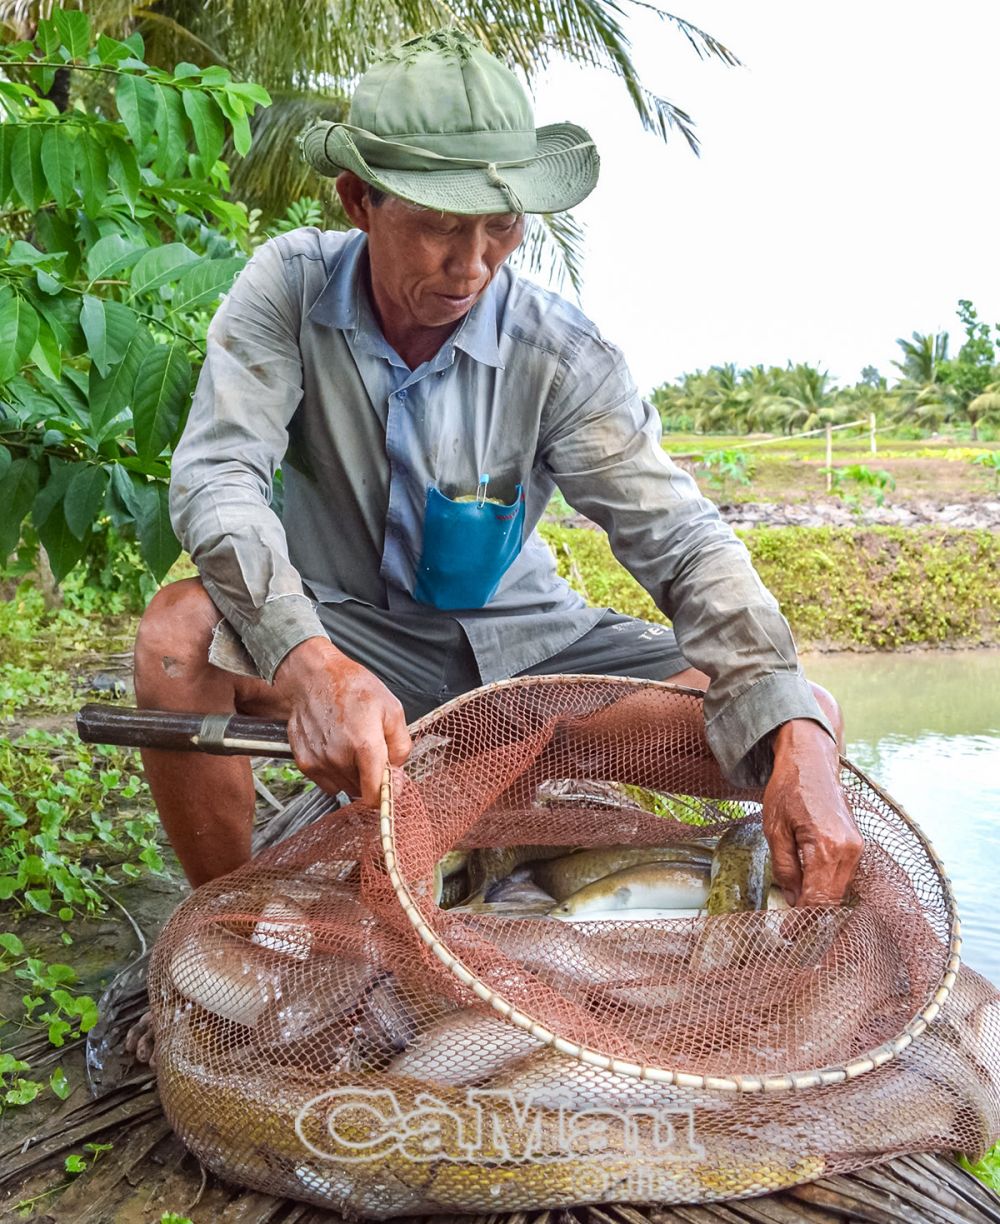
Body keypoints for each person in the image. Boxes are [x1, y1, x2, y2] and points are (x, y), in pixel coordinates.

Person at [129, 31, 861, 1063]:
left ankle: (522, 803)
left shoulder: (560, 354)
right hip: (346, 641)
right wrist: (309, 663)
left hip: (531, 658)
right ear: (357, 202)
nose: (470, 264)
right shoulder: (287, 288)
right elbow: (217, 480)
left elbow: (685, 544)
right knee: (176, 640)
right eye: (434, 227)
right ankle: (240, 945)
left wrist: (799, 741)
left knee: (796, 719)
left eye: (501, 228)